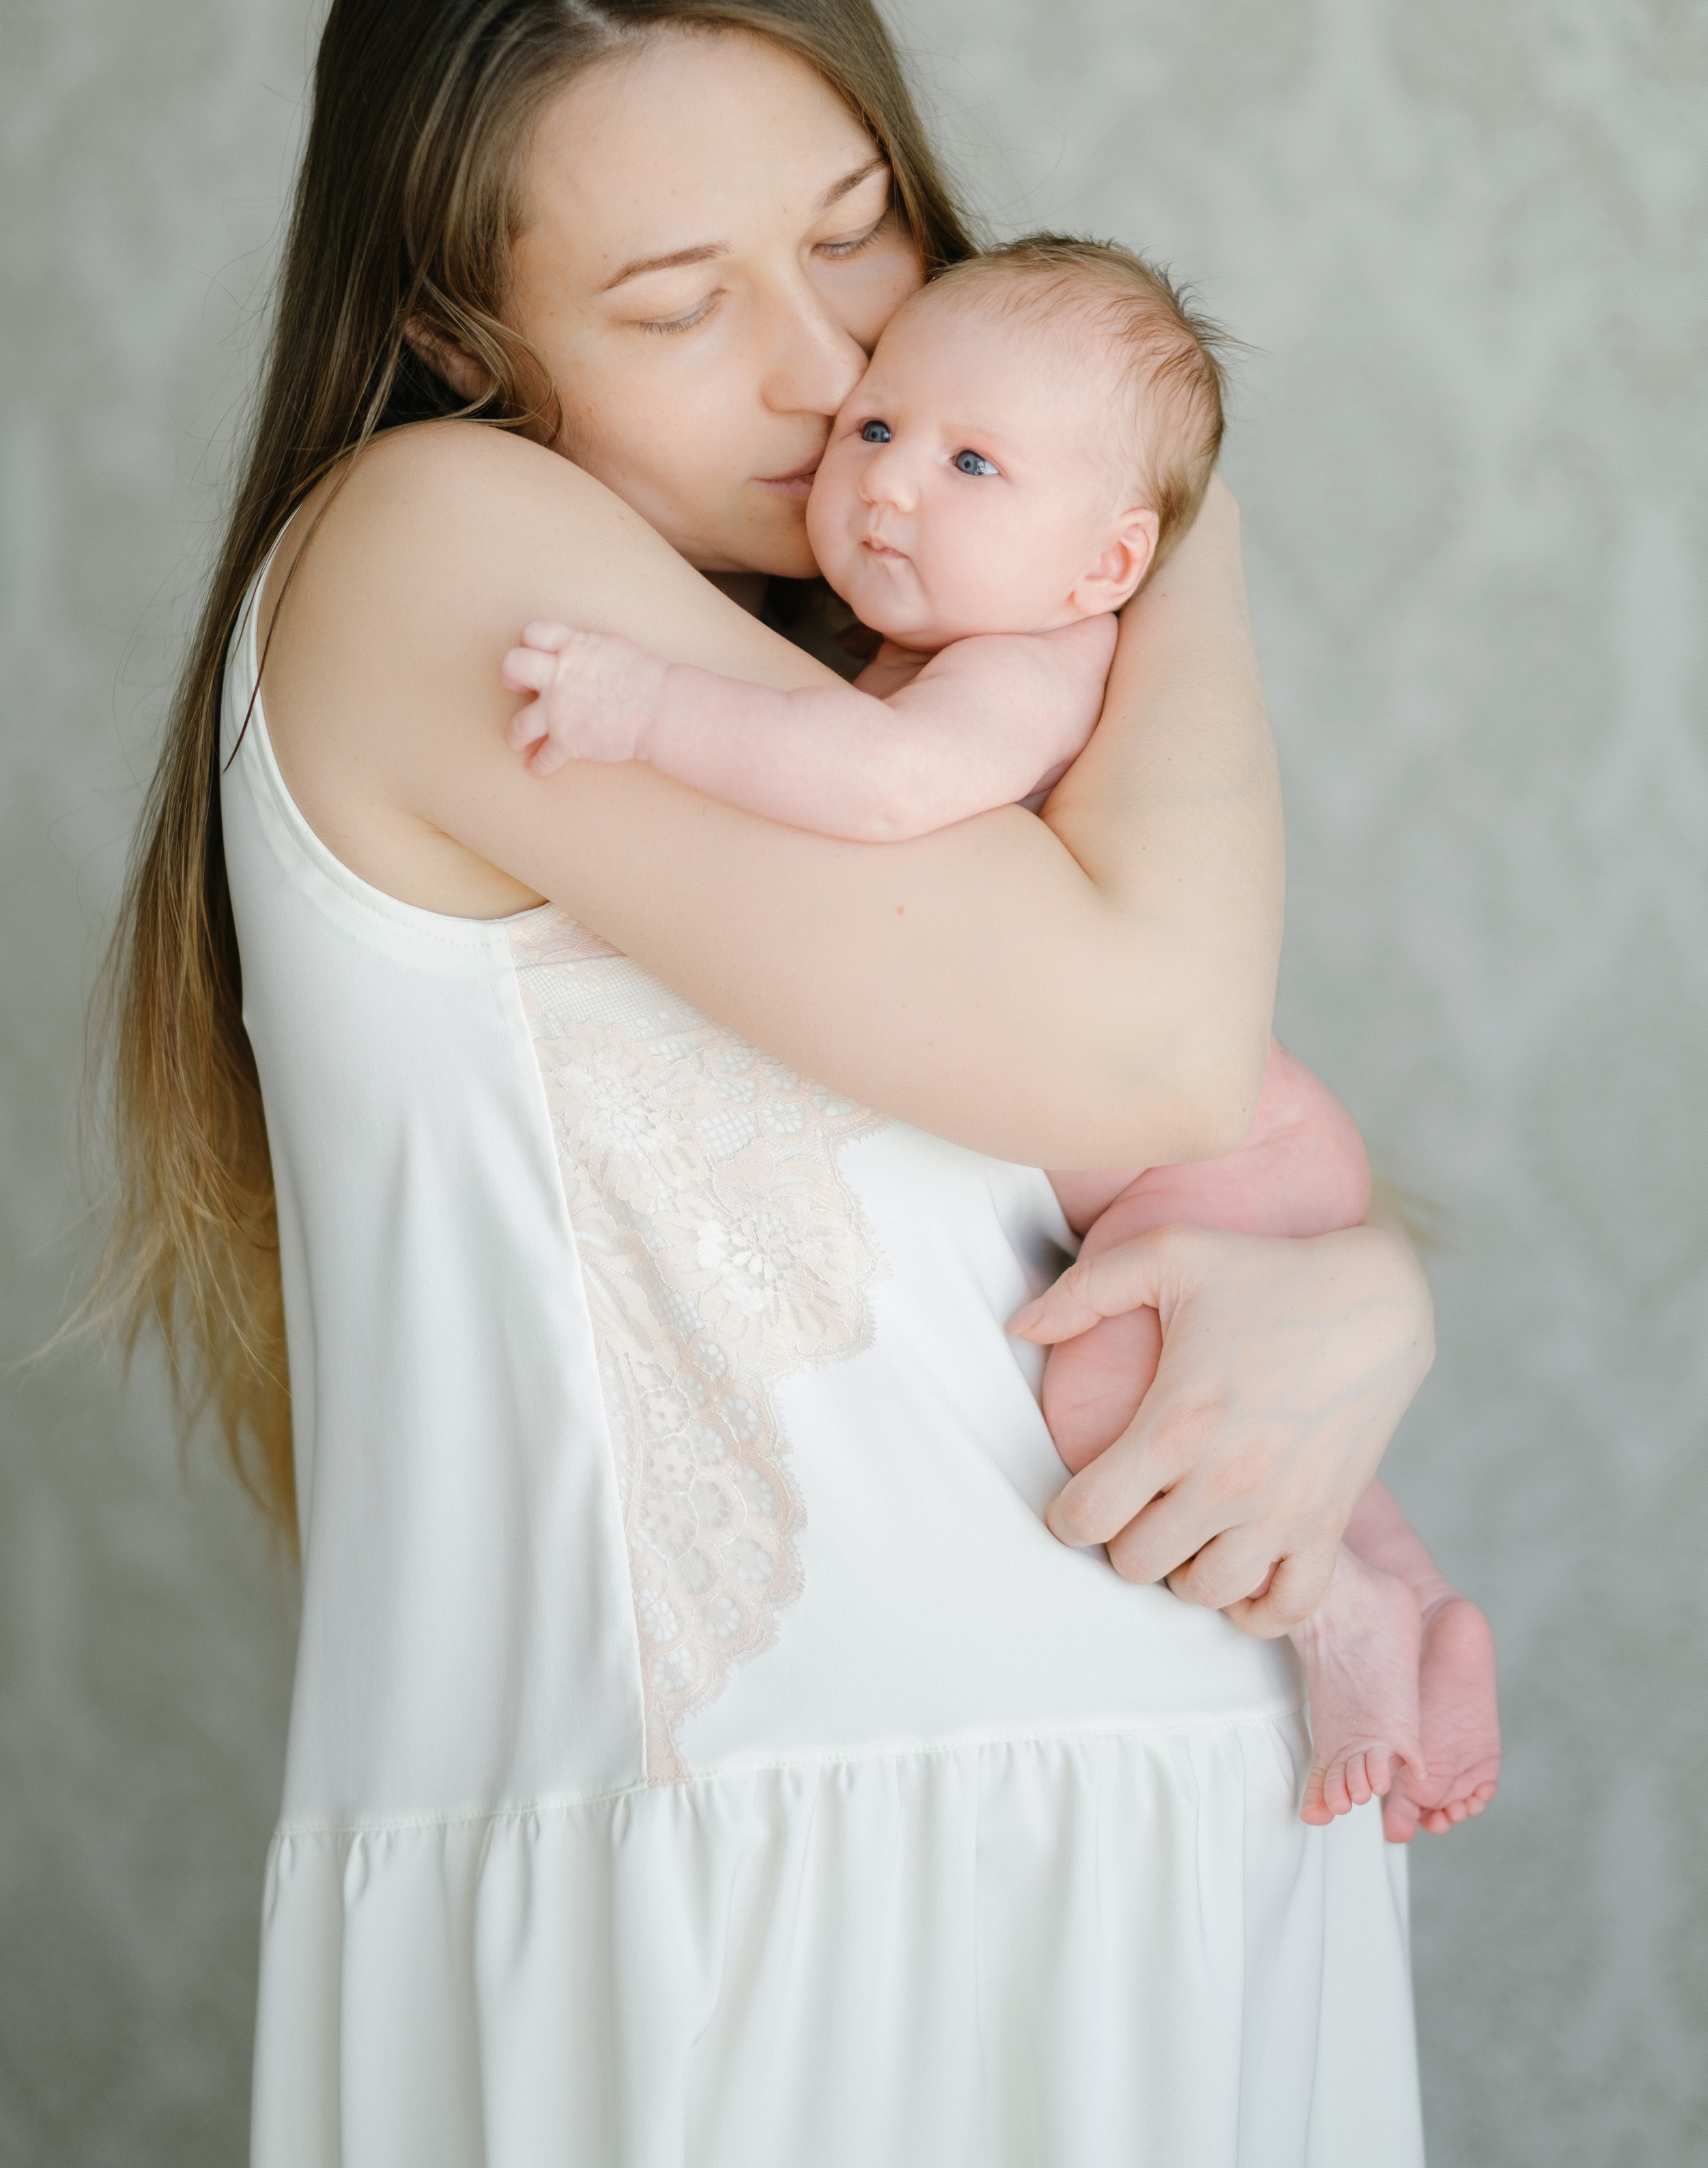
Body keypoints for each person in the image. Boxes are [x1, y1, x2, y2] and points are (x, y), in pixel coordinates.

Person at [98, 0, 1437, 2165]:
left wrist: (1370, 1293)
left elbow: (1150, 1144)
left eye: (857, 233)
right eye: (679, 299)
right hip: (778, 1915)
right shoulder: (444, 552)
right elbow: (1145, 1040)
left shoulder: (881, 655)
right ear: (452, 336)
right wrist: (1158, 515)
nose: (832, 369)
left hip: (1163, 1837)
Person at [498, 234, 1501, 1839]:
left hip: (1210, 1148)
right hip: (1210, 1137)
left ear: (1105, 564)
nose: (889, 483)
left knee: (1114, 1409)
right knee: (1231, 1388)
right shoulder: (961, 632)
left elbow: (880, 787)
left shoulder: (1026, 662)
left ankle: (1343, 1613)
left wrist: (640, 712)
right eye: (880, 430)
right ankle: (1412, 1597)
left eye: (972, 463)